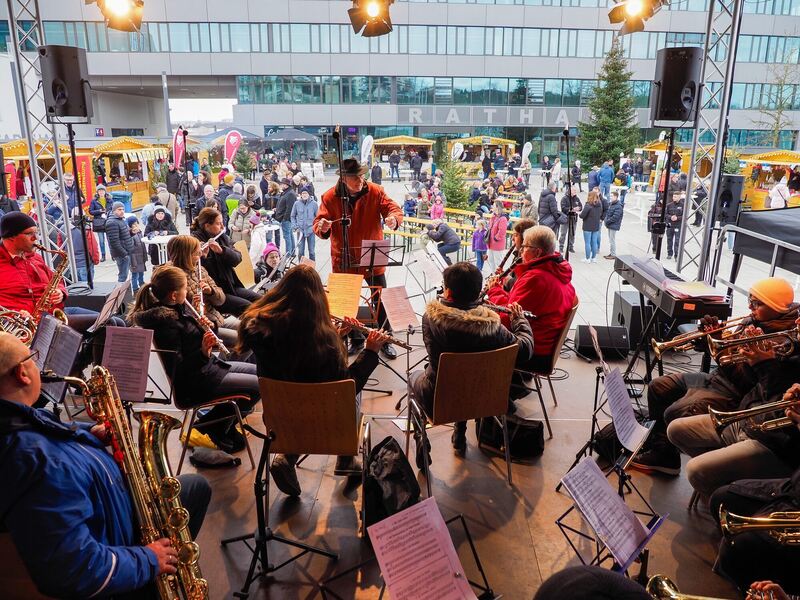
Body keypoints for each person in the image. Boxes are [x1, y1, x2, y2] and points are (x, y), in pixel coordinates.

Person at [0, 332, 212, 599]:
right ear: (22, 373)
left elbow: (48, 431)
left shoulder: (17, 419)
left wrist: (89, 435)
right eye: (34, 357)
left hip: (107, 516)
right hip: (118, 552)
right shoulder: (40, 465)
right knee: (194, 493)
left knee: (195, 487)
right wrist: (150, 559)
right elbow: (75, 570)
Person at [238, 264, 390, 496]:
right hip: (325, 422)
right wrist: (370, 351)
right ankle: (346, 459)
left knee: (304, 396)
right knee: (351, 392)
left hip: (281, 420)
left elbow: (294, 354)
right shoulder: (324, 343)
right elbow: (348, 385)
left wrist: (336, 336)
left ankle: (288, 456)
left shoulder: (257, 330)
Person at [631, 277, 799, 475]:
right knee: (658, 387)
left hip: (733, 393)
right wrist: (708, 339)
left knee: (673, 413)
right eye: (750, 301)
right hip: (718, 377)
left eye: (757, 304)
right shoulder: (755, 320)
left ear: (776, 307)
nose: (750, 307)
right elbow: (726, 352)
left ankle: (703, 467)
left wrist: (720, 353)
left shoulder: (784, 340)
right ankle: (662, 452)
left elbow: (746, 383)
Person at [410, 262, 533, 460]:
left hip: (440, 400)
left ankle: (421, 437)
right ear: (477, 293)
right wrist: (520, 320)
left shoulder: (430, 318)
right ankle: (459, 433)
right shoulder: (493, 328)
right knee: (468, 380)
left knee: (415, 377)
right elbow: (525, 350)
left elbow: (438, 353)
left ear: (448, 292)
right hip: (486, 399)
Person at [130, 266, 260, 453]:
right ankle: (211, 426)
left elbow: (196, 335)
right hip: (194, 384)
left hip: (209, 369)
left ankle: (221, 426)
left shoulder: (179, 309)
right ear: (174, 295)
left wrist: (206, 323)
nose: (188, 292)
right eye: (185, 288)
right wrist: (203, 352)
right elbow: (179, 369)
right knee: (258, 387)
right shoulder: (166, 325)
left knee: (260, 375)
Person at [313, 157, 403, 359]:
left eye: (362, 176)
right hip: (344, 256)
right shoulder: (329, 197)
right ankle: (356, 339)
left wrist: (393, 219)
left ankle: (385, 339)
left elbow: (393, 208)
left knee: (380, 299)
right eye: (356, 177)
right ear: (344, 178)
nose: (361, 180)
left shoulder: (375, 191)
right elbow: (319, 223)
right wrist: (322, 227)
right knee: (347, 302)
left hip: (372, 253)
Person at [487, 225, 577, 373]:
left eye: (525, 247)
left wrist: (493, 291)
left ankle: (492, 384)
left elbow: (508, 319)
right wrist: (499, 290)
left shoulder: (536, 279)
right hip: (543, 344)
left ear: (537, 252)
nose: (521, 251)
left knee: (475, 338)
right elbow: (517, 307)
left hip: (533, 351)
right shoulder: (556, 270)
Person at [165, 235, 239, 351]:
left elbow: (221, 300)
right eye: (196, 253)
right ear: (185, 255)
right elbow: (178, 313)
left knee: (250, 328)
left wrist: (211, 291)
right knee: (243, 339)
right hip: (202, 327)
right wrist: (193, 310)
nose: (200, 255)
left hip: (215, 317)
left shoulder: (199, 269)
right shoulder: (172, 277)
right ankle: (227, 361)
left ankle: (230, 359)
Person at [190, 207, 260, 316]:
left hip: (230, 286)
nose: (223, 226)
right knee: (247, 307)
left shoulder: (223, 237)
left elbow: (237, 259)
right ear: (207, 226)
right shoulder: (194, 242)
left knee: (260, 300)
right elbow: (195, 270)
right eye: (218, 224)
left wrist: (222, 251)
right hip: (215, 293)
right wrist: (203, 257)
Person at [105, 201, 134, 283]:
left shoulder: (120, 220)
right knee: (123, 277)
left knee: (125, 276)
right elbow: (114, 242)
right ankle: (120, 290)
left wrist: (132, 232)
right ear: (114, 211)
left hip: (126, 252)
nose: (122, 211)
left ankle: (124, 290)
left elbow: (124, 235)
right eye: (119, 209)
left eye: (123, 209)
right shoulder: (112, 222)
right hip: (121, 254)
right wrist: (124, 254)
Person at [291, 188, 318, 261]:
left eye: (306, 193)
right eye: (303, 193)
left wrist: (315, 227)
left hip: (311, 231)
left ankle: (312, 266)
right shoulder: (296, 203)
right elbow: (292, 216)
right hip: (300, 231)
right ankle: (301, 266)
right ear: (300, 195)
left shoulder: (314, 204)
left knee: (312, 252)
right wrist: (295, 226)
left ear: (309, 194)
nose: (304, 195)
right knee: (300, 252)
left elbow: (317, 217)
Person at [579, 189, 603, 263]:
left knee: (587, 243)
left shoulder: (588, 205)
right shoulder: (599, 205)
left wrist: (579, 214)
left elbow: (582, 215)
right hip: (596, 225)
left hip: (587, 226)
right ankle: (593, 258)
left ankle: (587, 258)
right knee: (594, 242)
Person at [275, 178, 297, 256]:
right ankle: (292, 252)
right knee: (290, 235)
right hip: (284, 218)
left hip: (286, 219)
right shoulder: (285, 192)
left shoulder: (290, 193)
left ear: (287, 185)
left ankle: (288, 253)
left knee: (287, 236)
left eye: (282, 184)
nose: (281, 185)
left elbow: (290, 208)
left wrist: (285, 219)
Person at [558, 184, 582, 255]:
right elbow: (563, 208)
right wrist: (571, 209)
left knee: (572, 234)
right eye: (574, 190)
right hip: (565, 218)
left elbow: (581, 206)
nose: (575, 192)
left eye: (575, 191)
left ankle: (570, 247)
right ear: (570, 191)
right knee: (563, 233)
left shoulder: (577, 198)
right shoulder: (564, 198)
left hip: (573, 219)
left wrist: (579, 208)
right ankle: (561, 247)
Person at [127, 216, 148, 293]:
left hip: (141, 255)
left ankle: (142, 284)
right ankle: (135, 288)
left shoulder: (139, 232)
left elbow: (142, 243)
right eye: (133, 224)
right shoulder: (129, 233)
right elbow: (130, 244)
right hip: (134, 256)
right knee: (135, 274)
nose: (136, 225)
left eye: (136, 223)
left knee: (141, 271)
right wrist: (132, 233)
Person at [88, 184, 109, 261]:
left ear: (105, 191)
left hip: (108, 221)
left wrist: (107, 212)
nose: (101, 192)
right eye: (100, 191)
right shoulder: (94, 201)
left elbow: (113, 209)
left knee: (110, 239)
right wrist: (99, 211)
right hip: (99, 222)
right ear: (97, 192)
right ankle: (103, 255)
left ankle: (113, 254)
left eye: (102, 190)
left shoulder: (109, 200)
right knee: (101, 240)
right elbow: (91, 211)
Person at [487, 201, 508, 272]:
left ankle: (499, 276)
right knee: (491, 260)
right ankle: (493, 274)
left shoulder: (503, 218)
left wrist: (496, 238)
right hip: (491, 243)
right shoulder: (494, 216)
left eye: (493, 205)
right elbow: (490, 227)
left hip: (497, 243)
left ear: (497, 207)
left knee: (498, 262)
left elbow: (502, 231)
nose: (492, 206)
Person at [604, 191, 624, 259]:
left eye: (611, 196)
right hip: (610, 224)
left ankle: (613, 254)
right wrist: (606, 220)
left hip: (613, 225)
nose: (610, 197)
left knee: (612, 240)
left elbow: (615, 217)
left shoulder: (618, 206)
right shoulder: (611, 204)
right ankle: (611, 253)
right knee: (610, 240)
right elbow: (608, 213)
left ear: (615, 197)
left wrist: (607, 221)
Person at [665, 193, 684, 260]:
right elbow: (665, 214)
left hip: (678, 225)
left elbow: (685, 216)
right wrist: (670, 217)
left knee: (677, 240)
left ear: (679, 197)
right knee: (669, 239)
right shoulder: (669, 205)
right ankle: (669, 253)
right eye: (673, 196)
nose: (674, 198)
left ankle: (676, 255)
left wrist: (677, 218)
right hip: (670, 224)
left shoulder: (683, 205)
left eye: (675, 197)